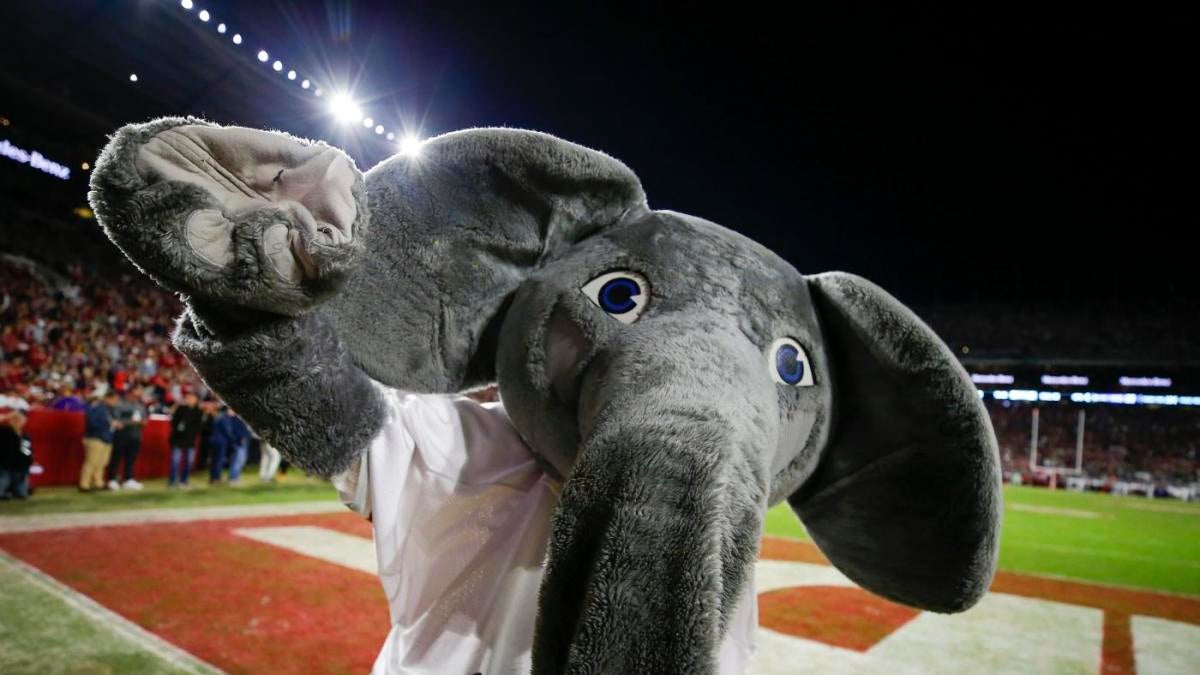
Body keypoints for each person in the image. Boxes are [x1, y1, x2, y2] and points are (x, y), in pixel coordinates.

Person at [106, 386, 147, 491]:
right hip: (121, 436)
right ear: (128, 394)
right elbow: (116, 420)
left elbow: (145, 421)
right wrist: (130, 422)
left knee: (131, 459)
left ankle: (128, 479)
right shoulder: (119, 405)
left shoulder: (140, 406)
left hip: (135, 436)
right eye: (133, 395)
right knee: (116, 458)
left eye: (137, 395)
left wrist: (141, 423)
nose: (135, 397)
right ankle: (112, 479)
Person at [80, 390, 117, 491]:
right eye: (113, 400)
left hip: (107, 439)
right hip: (95, 438)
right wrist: (108, 424)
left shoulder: (109, 410)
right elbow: (91, 423)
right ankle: (84, 484)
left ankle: (98, 482)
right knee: (91, 462)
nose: (115, 402)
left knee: (102, 463)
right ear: (107, 398)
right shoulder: (96, 408)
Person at [168, 391, 204, 488]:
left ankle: (184, 481)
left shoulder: (199, 411)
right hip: (177, 439)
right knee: (175, 461)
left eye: (192, 398)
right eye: (188, 398)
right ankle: (172, 481)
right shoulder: (181, 409)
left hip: (190, 441)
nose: (190, 400)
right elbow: (173, 422)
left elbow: (199, 427)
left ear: (196, 400)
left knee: (189, 462)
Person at [208, 406, 250, 485]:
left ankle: (216, 478)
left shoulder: (222, 417)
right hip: (220, 442)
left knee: (218, 461)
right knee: (218, 461)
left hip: (219, 441)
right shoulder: (224, 418)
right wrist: (235, 440)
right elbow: (227, 431)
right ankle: (215, 478)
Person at [0, 409, 33, 499]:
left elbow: (27, 451)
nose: (18, 422)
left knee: (22, 494)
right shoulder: (4, 432)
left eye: (20, 420)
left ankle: (16, 492)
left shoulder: (25, 436)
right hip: (5, 467)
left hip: (20, 468)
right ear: (11, 420)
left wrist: (29, 461)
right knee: (2, 488)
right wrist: (7, 416)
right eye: (15, 419)